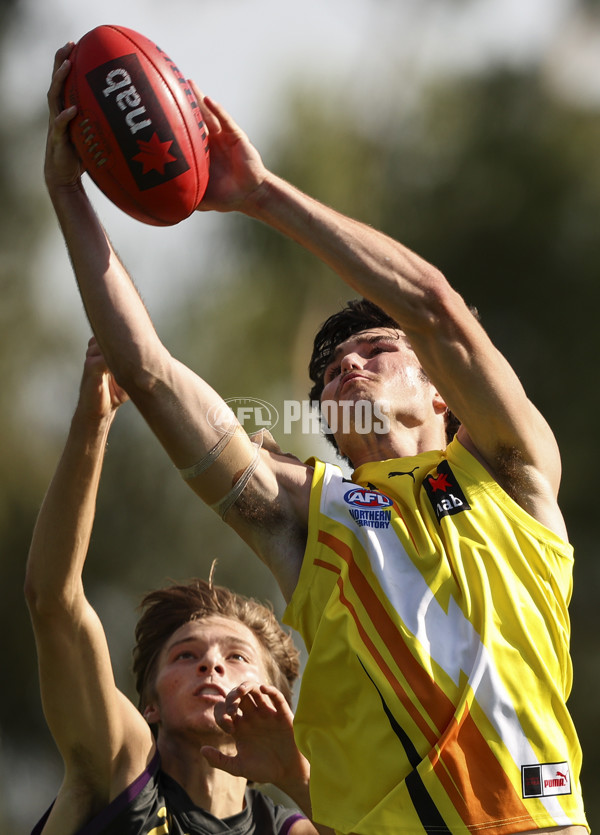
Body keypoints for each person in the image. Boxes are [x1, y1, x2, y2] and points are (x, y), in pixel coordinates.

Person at [44, 41, 588, 835]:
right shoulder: (314, 522)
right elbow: (151, 372)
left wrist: (261, 194)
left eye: (377, 351)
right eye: (331, 371)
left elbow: (436, 308)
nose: (348, 368)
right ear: (329, 424)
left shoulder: (513, 473)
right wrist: (66, 193)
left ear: (439, 389)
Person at [25, 338, 331, 835]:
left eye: (237, 658)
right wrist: (92, 420)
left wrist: (295, 775)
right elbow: (53, 600)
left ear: (276, 702)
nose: (211, 663)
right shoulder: (126, 770)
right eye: (185, 655)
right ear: (150, 706)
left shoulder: (290, 828)